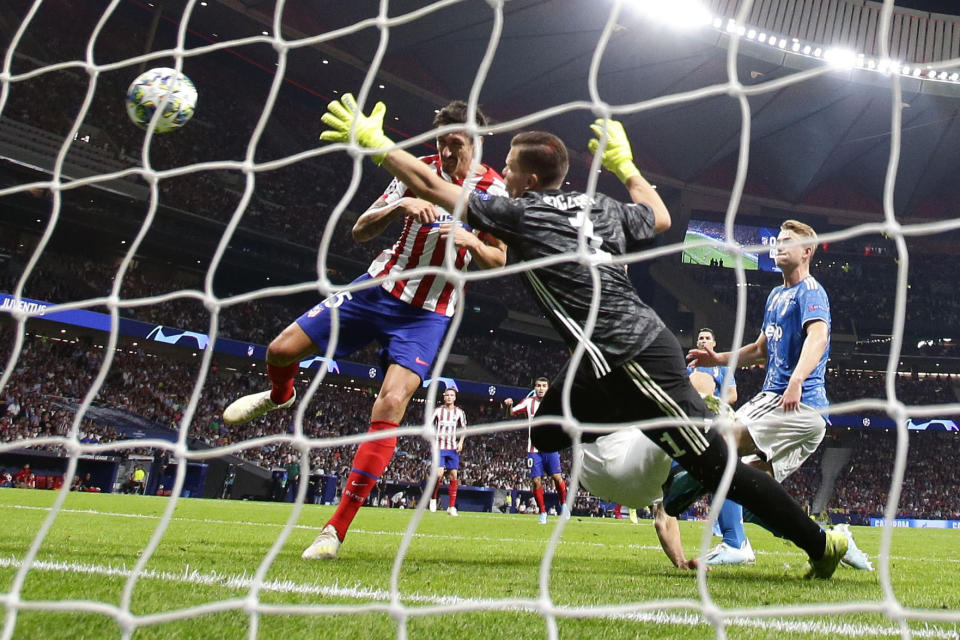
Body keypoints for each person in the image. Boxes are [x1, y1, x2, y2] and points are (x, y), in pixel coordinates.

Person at [320, 94, 847, 578]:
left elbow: (437, 187)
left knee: (715, 466)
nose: (500, 175)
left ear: (525, 179)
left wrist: (379, 146)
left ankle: (817, 543)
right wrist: (624, 166)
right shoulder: (598, 207)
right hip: (603, 362)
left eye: (506, 169)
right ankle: (645, 441)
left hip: (635, 355)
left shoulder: (521, 214)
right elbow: (659, 216)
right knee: (548, 427)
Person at [223, 100, 507, 560]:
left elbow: (501, 258)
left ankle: (334, 530)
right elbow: (359, 231)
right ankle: (280, 395)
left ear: (475, 142)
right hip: (376, 288)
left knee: (392, 402)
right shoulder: (413, 172)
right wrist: (399, 208)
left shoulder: (493, 191)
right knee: (279, 350)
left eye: (456, 145)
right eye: (441, 144)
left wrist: (474, 240)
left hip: (429, 313)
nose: (447, 154)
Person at [685, 327, 751, 566]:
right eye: (700, 338)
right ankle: (732, 532)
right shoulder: (691, 366)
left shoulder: (721, 366)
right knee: (715, 475)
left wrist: (711, 400)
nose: (703, 341)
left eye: (707, 338)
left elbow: (733, 395)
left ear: (714, 342)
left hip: (718, 421)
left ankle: (736, 537)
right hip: (695, 422)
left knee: (722, 473)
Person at [504, 377, 568, 524]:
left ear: (548, 388)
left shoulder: (555, 401)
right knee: (536, 480)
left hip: (551, 446)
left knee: (557, 478)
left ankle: (564, 504)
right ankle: (543, 512)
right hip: (533, 448)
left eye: (544, 386)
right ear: (534, 388)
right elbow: (510, 414)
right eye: (538, 386)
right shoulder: (528, 402)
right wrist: (508, 405)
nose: (541, 388)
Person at [428, 387, 466, 516]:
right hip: (439, 447)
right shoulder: (438, 411)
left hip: (452, 448)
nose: (449, 397)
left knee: (454, 475)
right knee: (438, 474)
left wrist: (460, 442)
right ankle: (433, 498)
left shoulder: (459, 412)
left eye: (452, 395)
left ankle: (451, 507)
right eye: (447, 395)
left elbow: (464, 429)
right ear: (444, 397)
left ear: (455, 398)